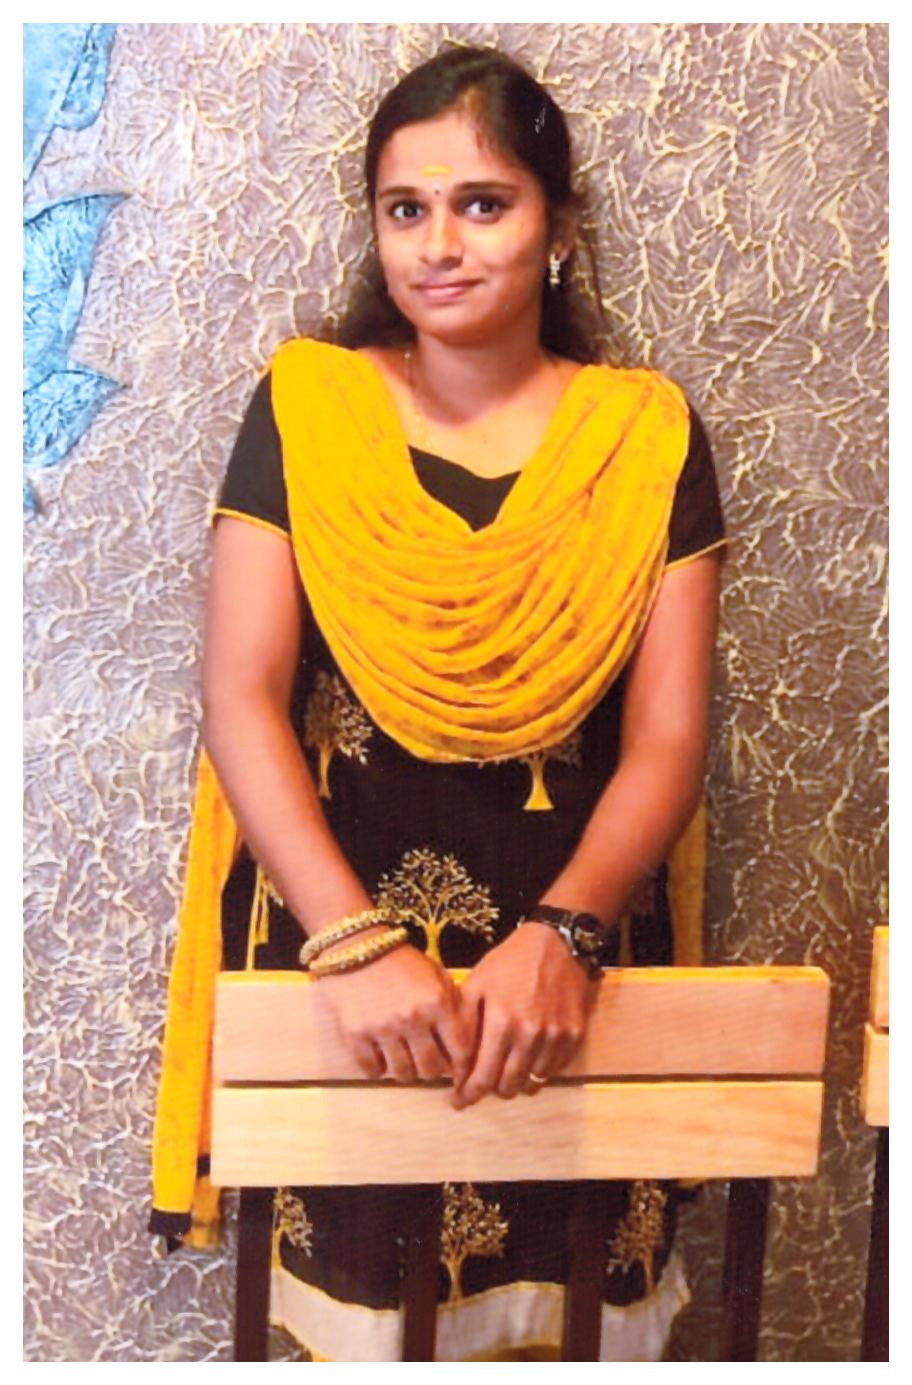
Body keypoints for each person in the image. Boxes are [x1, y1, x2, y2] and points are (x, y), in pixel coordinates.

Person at [150, 44, 726, 1362]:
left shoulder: (642, 436)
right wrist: (353, 944)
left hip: (570, 978)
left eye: (484, 203)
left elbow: (669, 737)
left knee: (573, 1326)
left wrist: (565, 936)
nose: (440, 244)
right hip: (344, 971)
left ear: (559, 228)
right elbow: (240, 697)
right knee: (363, 1330)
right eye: (405, 208)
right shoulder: (311, 409)